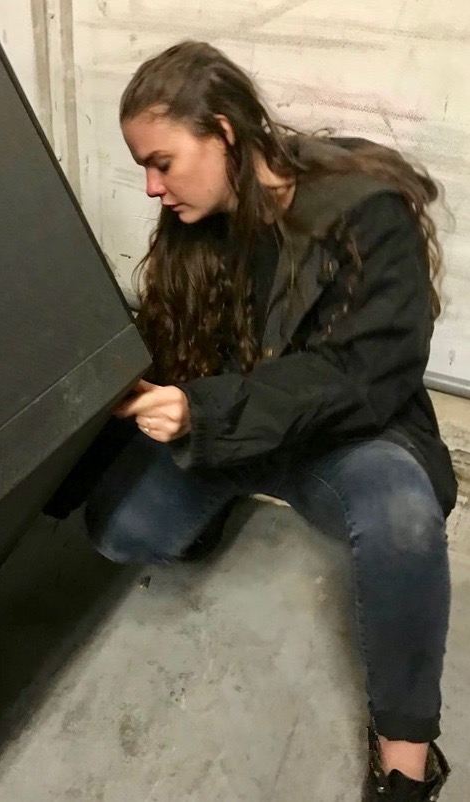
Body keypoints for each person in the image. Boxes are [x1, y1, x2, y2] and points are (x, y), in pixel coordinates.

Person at [44, 41, 457, 800]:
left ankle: (405, 753)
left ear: (225, 134)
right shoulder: (196, 220)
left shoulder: (363, 208)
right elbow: (181, 340)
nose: (150, 186)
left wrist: (205, 412)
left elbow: (363, 373)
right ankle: (218, 497)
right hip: (237, 429)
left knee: (402, 518)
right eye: (143, 165)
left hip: (346, 436)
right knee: (120, 531)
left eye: (162, 162)